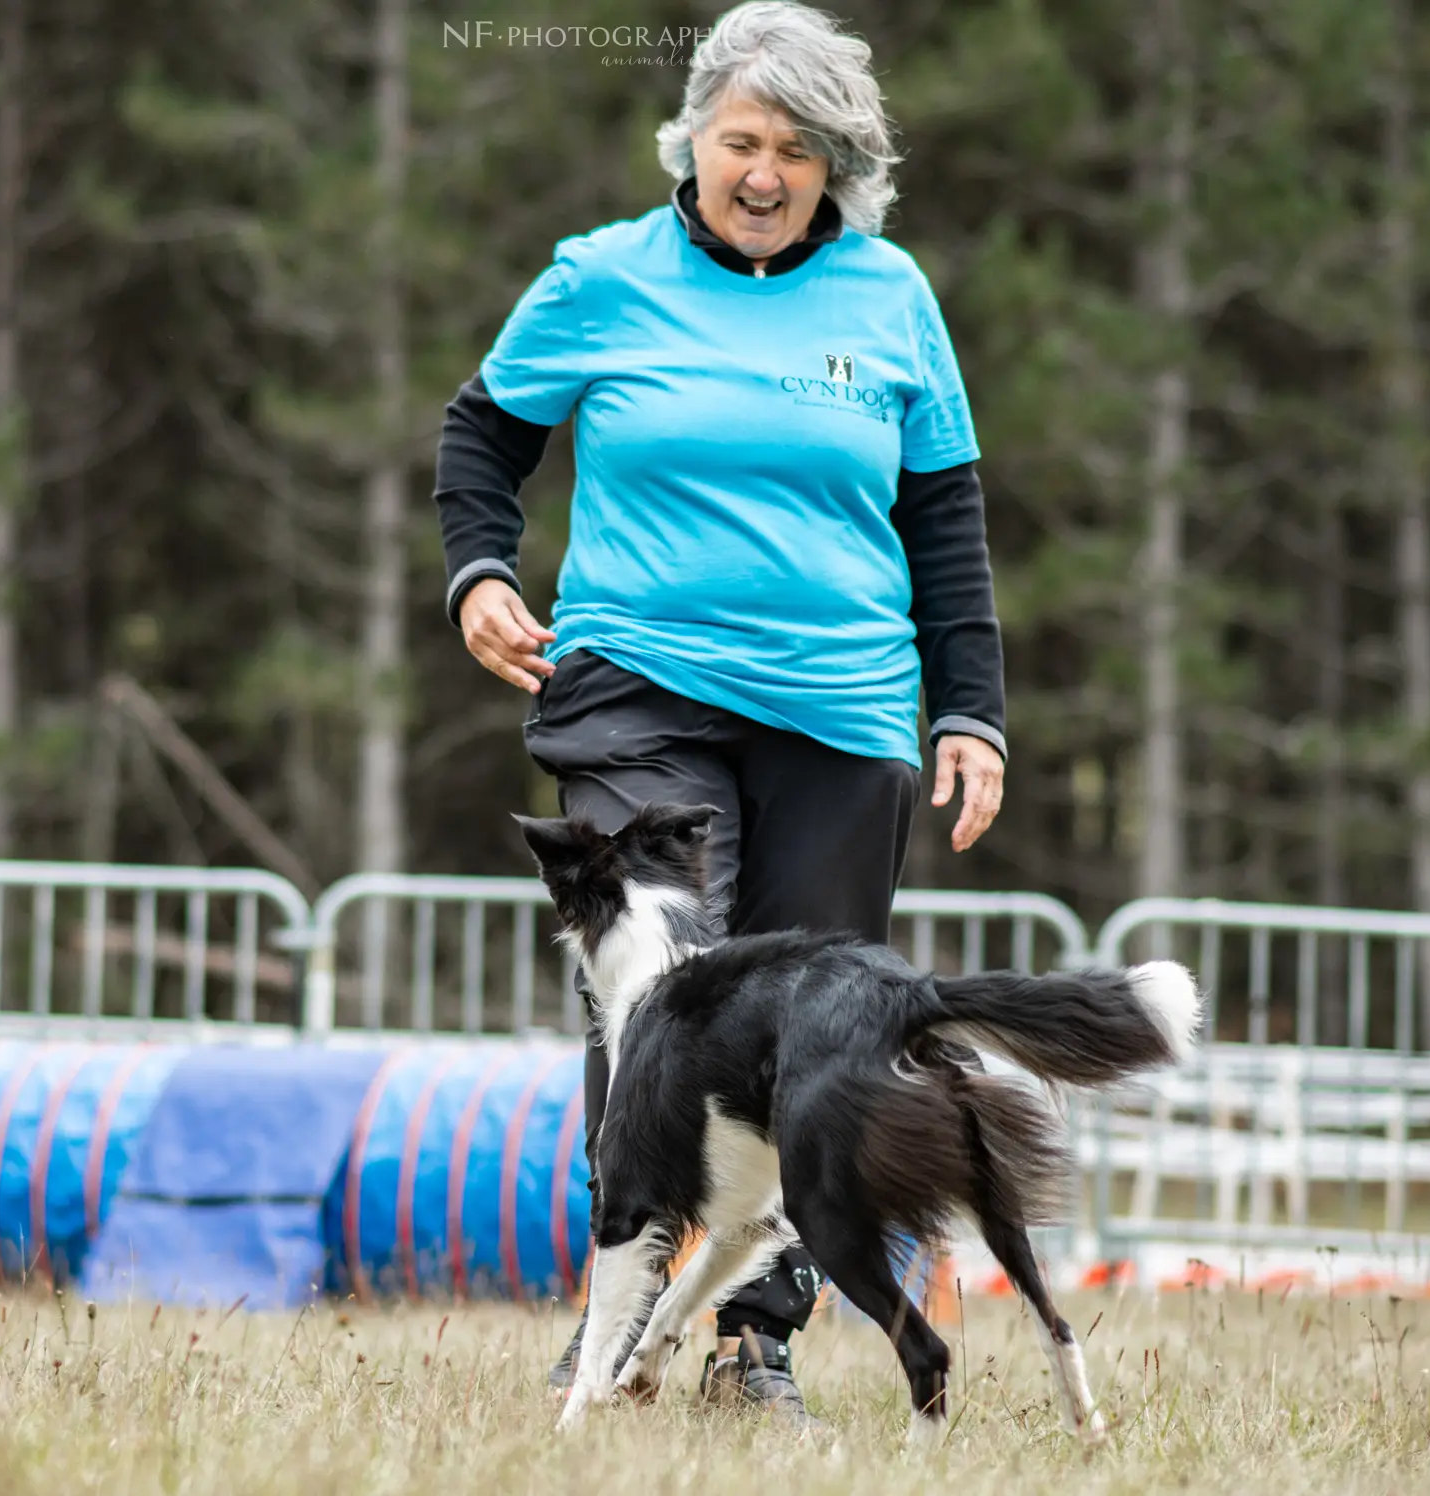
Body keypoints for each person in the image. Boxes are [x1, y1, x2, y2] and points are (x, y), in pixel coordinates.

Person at [431, 0, 1007, 1427]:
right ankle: (613, 1331)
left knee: (817, 1036)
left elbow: (946, 520)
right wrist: (479, 575)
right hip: (634, 685)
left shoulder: (890, 296)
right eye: (741, 139)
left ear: (839, 168)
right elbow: (480, 436)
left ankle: (757, 1340)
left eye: (798, 150)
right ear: (691, 140)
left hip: (840, 706)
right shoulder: (601, 277)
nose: (765, 171)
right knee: (656, 1004)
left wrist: (971, 712)